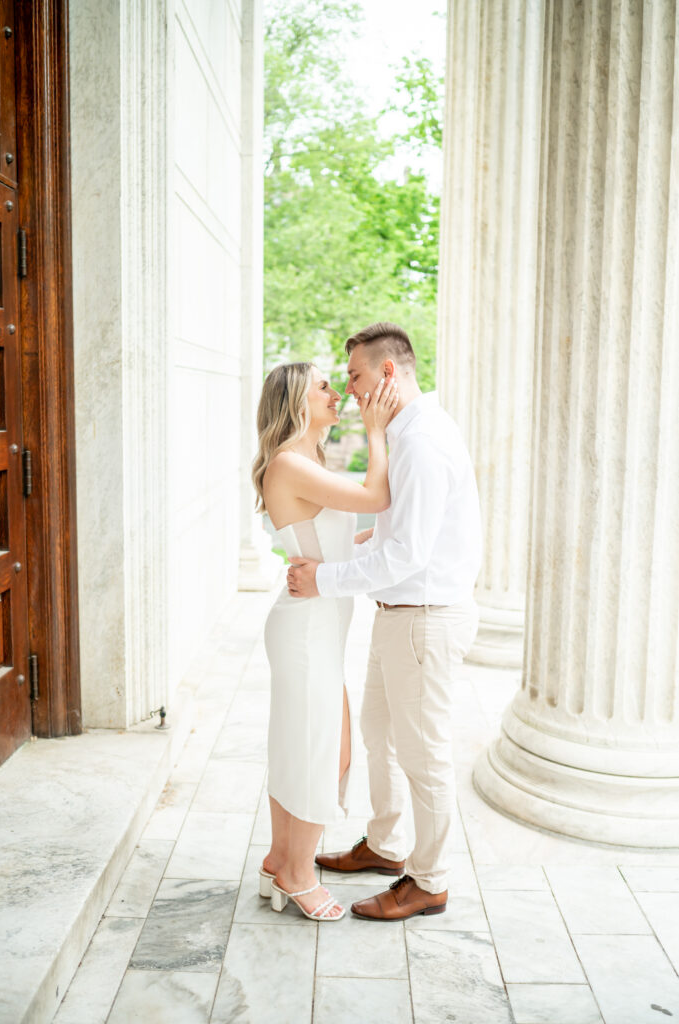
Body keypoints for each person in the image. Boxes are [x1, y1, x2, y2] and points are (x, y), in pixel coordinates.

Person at [286, 322, 482, 921]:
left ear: (388, 373)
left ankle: (429, 880)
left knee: (424, 756)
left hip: (424, 620)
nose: (348, 387)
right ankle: (387, 845)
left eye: (355, 374)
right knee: (379, 733)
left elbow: (408, 555)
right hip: (399, 614)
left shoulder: (421, 442)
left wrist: (324, 577)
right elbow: (402, 532)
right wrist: (356, 543)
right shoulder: (411, 433)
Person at [252, 361, 398, 922]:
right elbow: (375, 495)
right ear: (296, 402)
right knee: (321, 750)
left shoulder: (307, 461)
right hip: (306, 628)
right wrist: (377, 431)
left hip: (318, 626)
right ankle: (296, 871)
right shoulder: (290, 463)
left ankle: (277, 858)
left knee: (305, 744)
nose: (337, 394)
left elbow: (338, 529)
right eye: (324, 387)